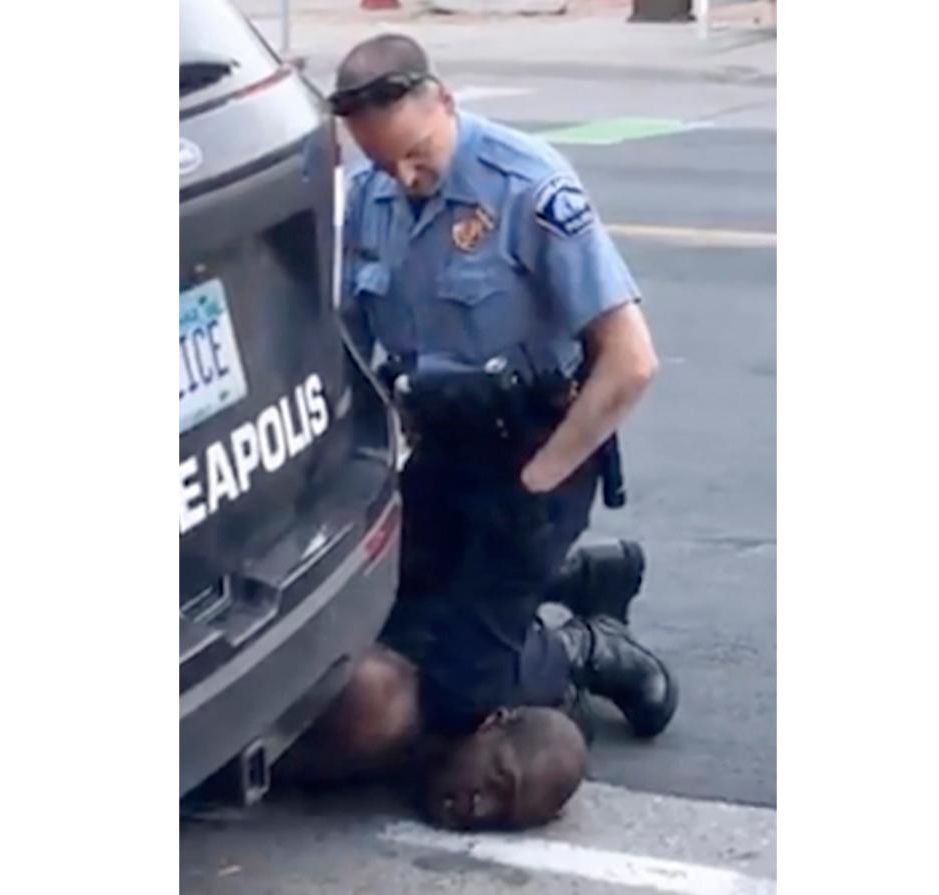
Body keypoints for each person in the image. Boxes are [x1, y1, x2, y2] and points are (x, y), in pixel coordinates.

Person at [274, 33, 679, 828]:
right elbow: (352, 337)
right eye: (384, 162)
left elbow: (630, 362)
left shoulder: (528, 187)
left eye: (418, 155)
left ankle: (587, 646)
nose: (407, 177)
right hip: (443, 446)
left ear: (446, 103)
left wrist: (543, 476)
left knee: (459, 684)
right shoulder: (375, 199)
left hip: (537, 449)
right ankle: (560, 579)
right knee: (387, 616)